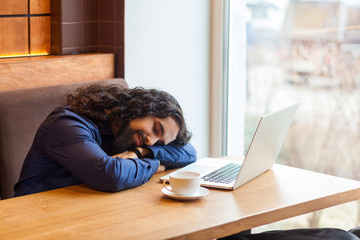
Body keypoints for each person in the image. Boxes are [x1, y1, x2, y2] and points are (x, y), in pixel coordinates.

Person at [14, 84, 197, 197]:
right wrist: (155, 165)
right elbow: (110, 175)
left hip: (84, 211)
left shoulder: (127, 137)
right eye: (156, 129)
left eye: (158, 143)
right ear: (141, 107)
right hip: (34, 221)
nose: (151, 141)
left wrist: (140, 152)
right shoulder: (66, 124)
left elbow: (189, 152)